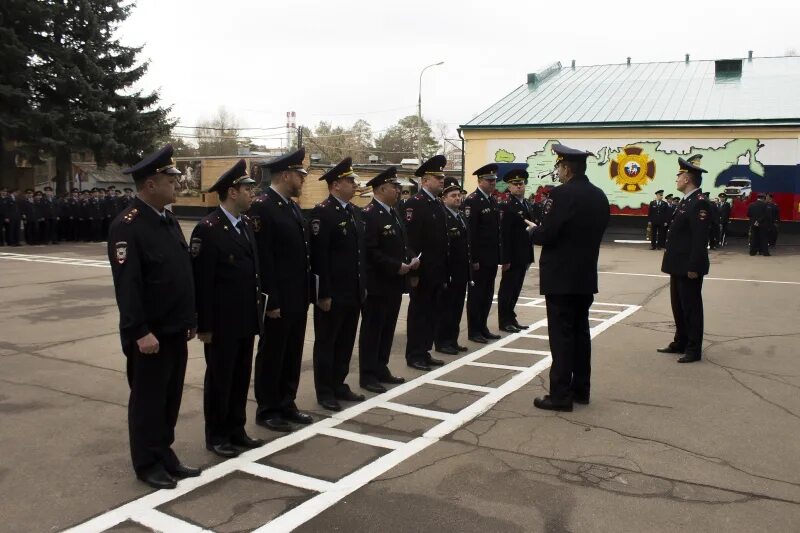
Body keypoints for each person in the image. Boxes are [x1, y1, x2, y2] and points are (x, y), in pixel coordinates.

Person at [107, 144, 201, 489]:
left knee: (170, 396)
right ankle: (147, 462)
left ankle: (164, 452)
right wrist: (139, 331)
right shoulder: (127, 226)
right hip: (151, 334)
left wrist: (190, 317)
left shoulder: (168, 219)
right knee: (148, 400)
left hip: (175, 328)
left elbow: (180, 273)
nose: (177, 183)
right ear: (150, 184)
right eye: (171, 178)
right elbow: (127, 286)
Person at [191, 159, 265, 458]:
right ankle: (217, 435)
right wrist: (204, 325)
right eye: (248, 189)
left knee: (239, 378)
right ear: (232, 192)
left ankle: (237, 429)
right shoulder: (208, 229)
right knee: (220, 380)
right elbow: (201, 282)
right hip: (221, 323)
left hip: (245, 318)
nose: (253, 195)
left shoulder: (245, 225)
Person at [531, 144, 610, 412]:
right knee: (580, 334)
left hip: (561, 276)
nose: (558, 172)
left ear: (566, 168)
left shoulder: (562, 194)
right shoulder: (599, 196)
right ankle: (581, 389)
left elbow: (548, 234)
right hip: (584, 275)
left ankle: (560, 395)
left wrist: (533, 231)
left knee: (561, 337)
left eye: (559, 167)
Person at [248, 147, 314, 432]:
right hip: (279, 298)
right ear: (286, 175)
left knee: (292, 353)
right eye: (300, 175)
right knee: (273, 353)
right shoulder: (263, 207)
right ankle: (268, 408)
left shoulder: (290, 206)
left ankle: (287, 402)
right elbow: (264, 258)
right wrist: (271, 299)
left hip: (297, 296)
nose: (303, 180)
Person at [310, 157, 367, 411]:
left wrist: (361, 284)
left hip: (352, 290)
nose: (354, 185)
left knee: (345, 341)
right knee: (327, 342)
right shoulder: (323, 212)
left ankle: (339, 383)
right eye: (349, 181)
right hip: (332, 292)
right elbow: (319, 257)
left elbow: (358, 254)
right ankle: (325, 390)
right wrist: (323, 293)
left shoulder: (354, 212)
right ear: (335, 185)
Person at [358, 166, 416, 392]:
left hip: (393, 282)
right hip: (377, 284)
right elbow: (370, 251)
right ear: (382, 188)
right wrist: (395, 265)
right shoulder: (369, 214)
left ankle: (381, 368)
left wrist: (410, 258)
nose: (399, 190)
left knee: (387, 328)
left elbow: (401, 244)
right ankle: (368, 375)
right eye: (395, 186)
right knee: (373, 330)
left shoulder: (393, 212)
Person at [657, 158, 711, 363]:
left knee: (691, 308)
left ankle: (693, 349)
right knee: (678, 306)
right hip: (678, 265)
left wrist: (694, 266)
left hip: (688, 266)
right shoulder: (687, 201)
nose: (676, 179)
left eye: (679, 176)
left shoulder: (699, 203)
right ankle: (680, 341)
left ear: (687, 178)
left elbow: (699, 238)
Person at [403, 155, 449, 371]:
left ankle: (425, 350)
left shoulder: (436, 204)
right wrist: (413, 273)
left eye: (442, 177)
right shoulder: (415, 204)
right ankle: (414, 354)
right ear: (424, 181)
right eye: (437, 177)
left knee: (431, 313)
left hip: (437, 271)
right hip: (422, 272)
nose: (442, 180)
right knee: (419, 314)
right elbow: (410, 240)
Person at [463, 163, 502, 343]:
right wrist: (474, 258)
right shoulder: (472, 200)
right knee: (476, 295)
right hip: (479, 258)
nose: (493, 183)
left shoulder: (492, 200)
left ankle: (483, 326)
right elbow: (471, 233)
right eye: (489, 180)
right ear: (480, 181)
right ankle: (474, 330)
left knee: (487, 295)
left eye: (494, 180)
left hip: (491, 257)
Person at [435, 177, 471, 355]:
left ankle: (453, 340)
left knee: (456, 308)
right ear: (444, 198)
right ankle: (442, 342)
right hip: (449, 272)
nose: (458, 198)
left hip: (461, 272)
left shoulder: (461, 216)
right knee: (446, 309)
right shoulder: (444, 217)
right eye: (453, 196)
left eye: (459, 195)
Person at [497, 168, 535, 333]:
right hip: (512, 255)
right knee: (507, 289)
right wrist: (505, 259)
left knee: (516, 288)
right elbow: (504, 236)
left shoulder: (526, 204)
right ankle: (504, 321)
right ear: (509, 186)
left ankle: (511, 317)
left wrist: (529, 257)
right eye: (515, 184)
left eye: (521, 184)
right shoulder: (506, 206)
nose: (519, 187)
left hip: (524, 254)